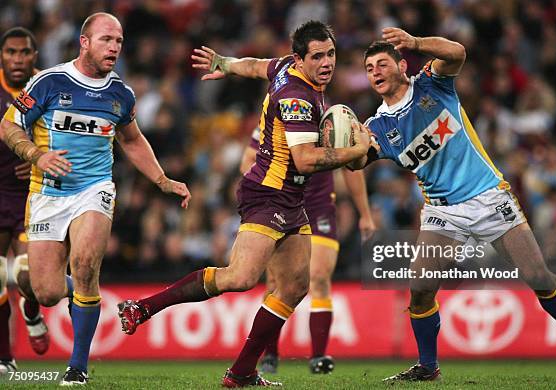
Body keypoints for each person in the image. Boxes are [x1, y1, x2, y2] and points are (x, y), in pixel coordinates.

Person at [117, 20, 370, 387]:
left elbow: (254, 65)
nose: (327, 62)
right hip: (268, 194)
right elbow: (305, 160)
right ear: (300, 59)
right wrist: (355, 151)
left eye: (331, 54)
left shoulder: (286, 66)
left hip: (290, 198)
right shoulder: (297, 98)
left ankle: (241, 372)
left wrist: (224, 62)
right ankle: (142, 307)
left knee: (296, 285)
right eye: (318, 56)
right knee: (240, 278)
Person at [352, 29, 556, 382]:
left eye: (382, 63)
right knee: (420, 289)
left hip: (488, 197)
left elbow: (457, 52)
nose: (375, 71)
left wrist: (418, 42)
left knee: (538, 277)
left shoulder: (430, 85)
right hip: (443, 212)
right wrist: (347, 146)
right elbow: (357, 162)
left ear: (402, 65)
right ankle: (428, 367)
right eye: (368, 67)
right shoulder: (377, 126)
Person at [0, 13, 191, 385]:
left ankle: (78, 366)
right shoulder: (48, 82)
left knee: (85, 265)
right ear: (84, 43)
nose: (115, 47)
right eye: (107, 39)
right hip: (47, 194)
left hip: (95, 188)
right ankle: (60, 293)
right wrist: (37, 156)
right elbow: (8, 124)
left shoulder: (120, 93)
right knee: (48, 290)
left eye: (119, 41)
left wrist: (162, 179)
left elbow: (132, 139)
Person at [240, 127, 375, 374]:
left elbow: (352, 167)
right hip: (283, 206)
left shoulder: (332, 123)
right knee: (274, 282)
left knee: (320, 277)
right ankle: (270, 354)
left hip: (319, 210)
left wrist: (365, 213)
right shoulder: (271, 123)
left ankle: (318, 357)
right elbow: (247, 161)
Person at [0, 26, 52, 374]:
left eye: (25, 52)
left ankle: (31, 310)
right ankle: (5, 358)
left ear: (35, 56)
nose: (18, 59)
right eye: (11, 52)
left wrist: (37, 158)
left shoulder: (48, 87)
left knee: (27, 276)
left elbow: (67, 135)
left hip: (32, 196)